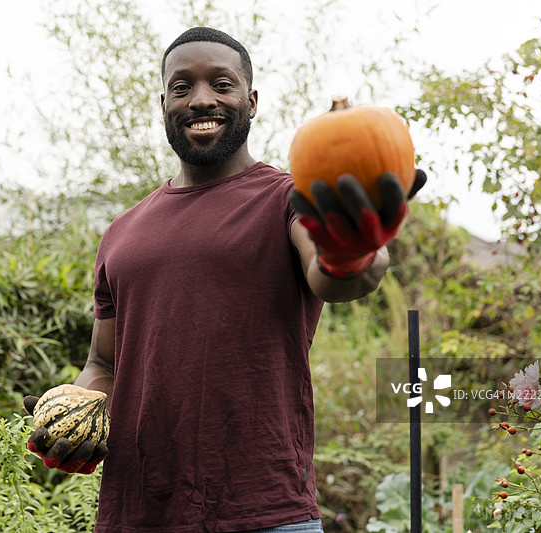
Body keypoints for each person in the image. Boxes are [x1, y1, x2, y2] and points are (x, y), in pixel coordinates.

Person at [23, 26, 426, 533]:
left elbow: (330, 276)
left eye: (222, 84)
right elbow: (103, 361)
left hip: (262, 511)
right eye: (182, 87)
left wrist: (356, 251)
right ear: (164, 101)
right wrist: (73, 416)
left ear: (251, 100)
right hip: (137, 512)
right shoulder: (121, 232)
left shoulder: (287, 199)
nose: (201, 99)